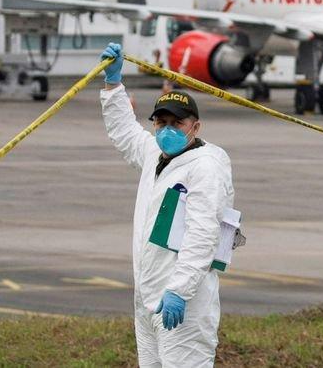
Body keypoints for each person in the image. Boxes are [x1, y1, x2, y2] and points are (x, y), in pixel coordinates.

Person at [99, 42, 234, 367]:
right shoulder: (155, 156)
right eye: (161, 123)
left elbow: (203, 234)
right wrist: (113, 84)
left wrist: (179, 290)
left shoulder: (204, 168)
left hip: (183, 303)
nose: (167, 130)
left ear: (195, 127)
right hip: (148, 299)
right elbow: (125, 132)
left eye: (177, 123)